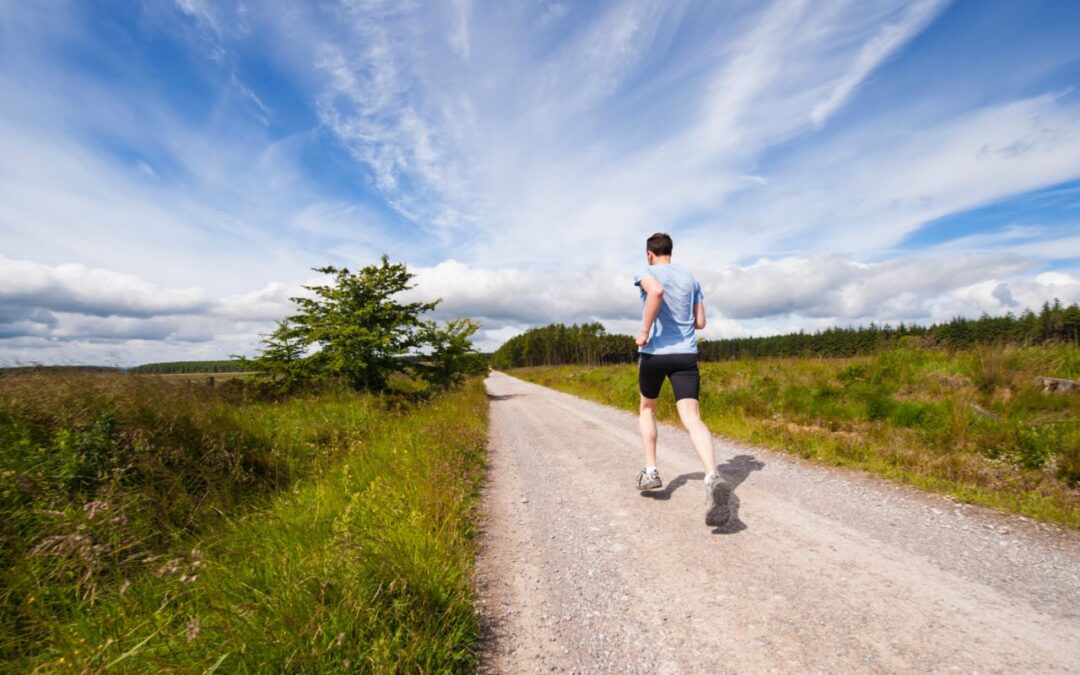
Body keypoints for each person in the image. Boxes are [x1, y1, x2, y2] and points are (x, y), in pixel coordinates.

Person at [633, 232, 729, 526]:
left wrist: (645, 331)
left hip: (655, 354)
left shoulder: (646, 272)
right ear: (670, 252)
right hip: (686, 355)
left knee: (648, 408)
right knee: (692, 417)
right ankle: (712, 475)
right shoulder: (691, 278)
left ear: (650, 254)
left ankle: (651, 472)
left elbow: (656, 292)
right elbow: (700, 322)